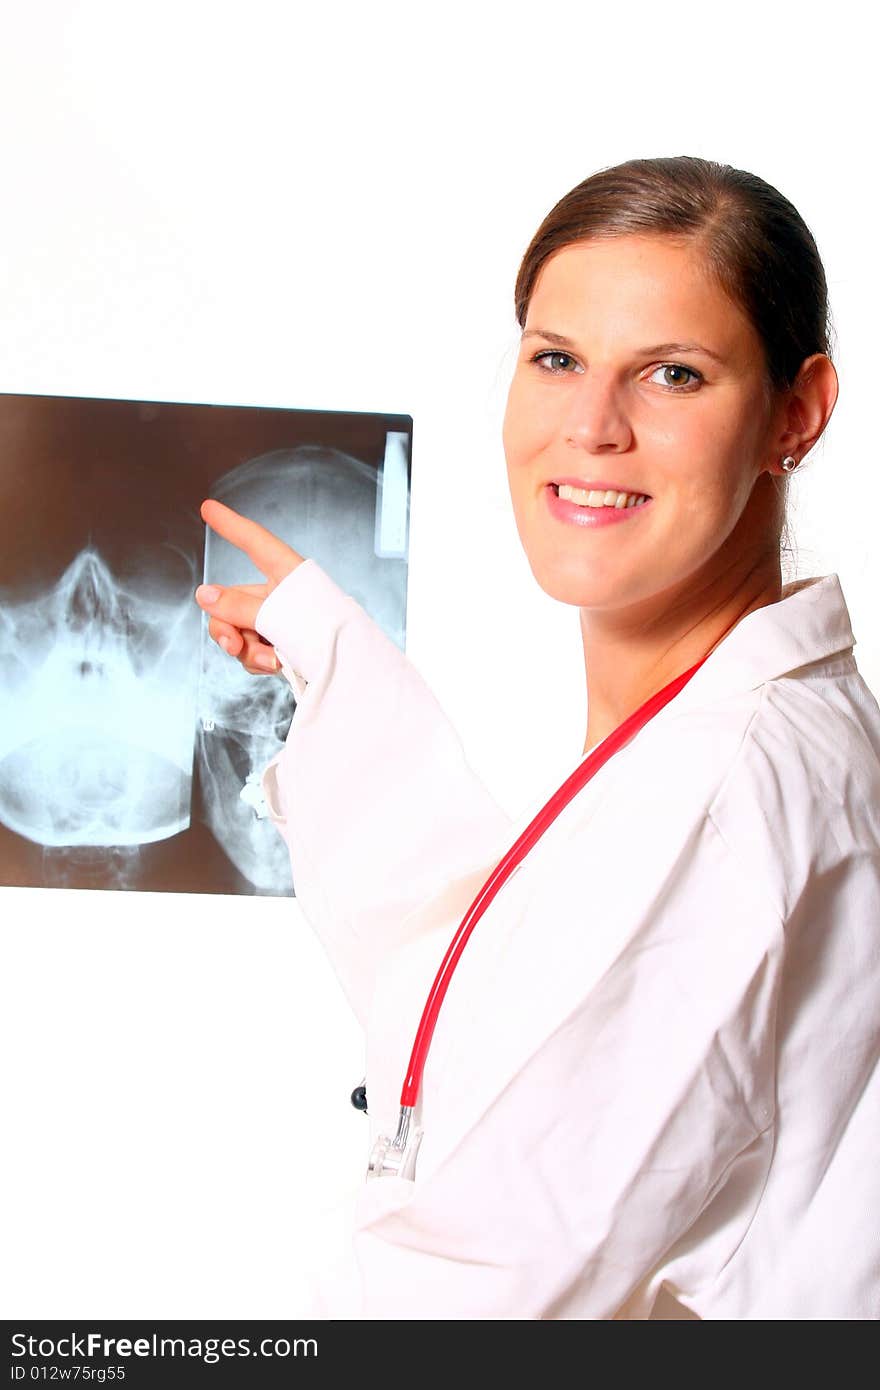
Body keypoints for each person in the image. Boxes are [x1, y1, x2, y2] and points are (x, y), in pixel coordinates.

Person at [193, 155, 880, 1319]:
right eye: (556, 358)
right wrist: (343, 682)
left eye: (672, 374)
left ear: (795, 413)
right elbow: (494, 1027)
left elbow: (484, 1281)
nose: (590, 427)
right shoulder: (730, 734)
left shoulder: (721, 788)